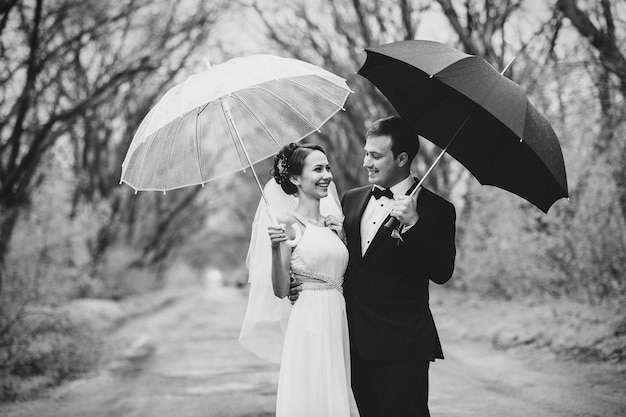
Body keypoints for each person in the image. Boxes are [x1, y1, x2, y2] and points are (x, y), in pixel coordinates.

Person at [340, 116, 457, 416]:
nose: (366, 161)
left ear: (402, 158)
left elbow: (442, 272)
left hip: (402, 345)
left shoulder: (438, 210)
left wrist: (414, 224)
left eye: (376, 156)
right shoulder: (351, 200)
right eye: (366, 153)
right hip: (355, 343)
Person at [239, 142, 352, 417]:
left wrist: (344, 238)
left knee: (337, 392)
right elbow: (280, 290)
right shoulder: (287, 224)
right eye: (317, 169)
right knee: (313, 394)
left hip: (338, 318)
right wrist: (276, 247)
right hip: (309, 321)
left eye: (327, 167)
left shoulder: (334, 223)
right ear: (295, 179)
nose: (327, 175)